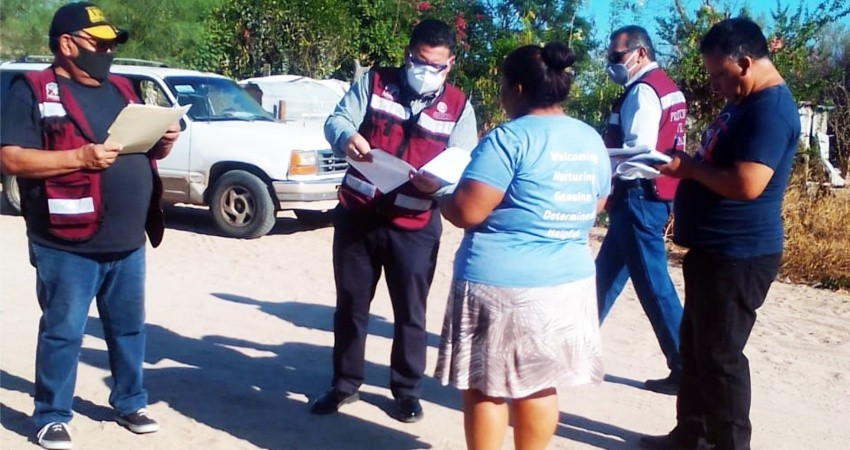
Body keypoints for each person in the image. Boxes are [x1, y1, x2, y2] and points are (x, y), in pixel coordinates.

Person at [0, 2, 180, 449]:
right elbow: (10, 157)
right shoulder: (33, 88)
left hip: (128, 239)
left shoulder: (119, 87)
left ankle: (130, 401)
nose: (108, 52)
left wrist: (161, 143)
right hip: (66, 241)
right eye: (99, 44)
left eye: (112, 44)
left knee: (129, 328)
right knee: (63, 330)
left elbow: (134, 151)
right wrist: (78, 158)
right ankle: (51, 415)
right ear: (67, 45)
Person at [431, 42, 610, 450]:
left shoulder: (509, 139)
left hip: (503, 284)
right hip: (566, 281)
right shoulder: (589, 138)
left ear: (516, 89)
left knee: (485, 386)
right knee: (540, 384)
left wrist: (440, 194)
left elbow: (468, 211)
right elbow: (596, 204)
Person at [641, 18, 801, 450]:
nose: (713, 84)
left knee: (721, 359)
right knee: (695, 350)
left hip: (740, 254)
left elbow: (747, 184)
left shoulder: (770, 110)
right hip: (714, 250)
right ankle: (690, 437)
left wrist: (689, 169)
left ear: (745, 63)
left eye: (717, 74)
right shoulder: (744, 99)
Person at [311, 19, 477, 423]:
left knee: (410, 313)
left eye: (435, 65)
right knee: (350, 306)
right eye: (419, 61)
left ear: (450, 63)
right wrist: (345, 137)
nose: (426, 71)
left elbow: (461, 162)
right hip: (359, 215)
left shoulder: (459, 106)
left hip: (415, 224)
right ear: (408, 55)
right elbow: (336, 121)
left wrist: (435, 183)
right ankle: (344, 383)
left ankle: (406, 391)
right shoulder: (375, 82)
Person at [596, 25, 687, 395]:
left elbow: (639, 152)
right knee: (602, 279)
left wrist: (603, 164)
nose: (612, 63)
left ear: (640, 54)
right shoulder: (670, 88)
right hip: (651, 196)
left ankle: (685, 365)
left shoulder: (643, 93)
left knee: (653, 284)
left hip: (638, 194)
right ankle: (568, 346)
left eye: (617, 56)